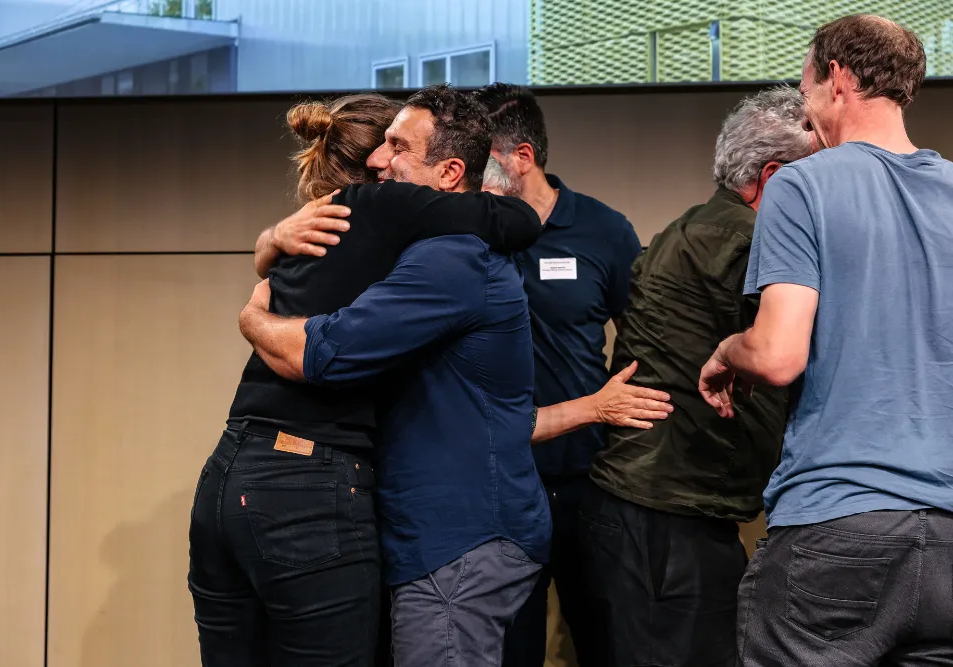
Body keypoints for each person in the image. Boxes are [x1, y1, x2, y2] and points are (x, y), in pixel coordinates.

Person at [188, 92, 545, 667]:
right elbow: (518, 217)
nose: (383, 159)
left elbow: (314, 347)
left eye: (396, 147)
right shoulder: (386, 213)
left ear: (448, 171)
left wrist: (256, 303)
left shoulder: (334, 225)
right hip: (310, 484)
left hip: (229, 473)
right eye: (383, 145)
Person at [699, 15, 953, 665]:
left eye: (805, 80)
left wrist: (728, 351)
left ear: (836, 78)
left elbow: (777, 356)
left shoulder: (802, 184)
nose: (803, 96)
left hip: (839, 527)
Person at [581, 87, 815, 667]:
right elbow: (793, 353)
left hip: (663, 509)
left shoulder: (696, 226)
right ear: (774, 177)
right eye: (819, 176)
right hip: (668, 517)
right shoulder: (744, 241)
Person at [473, 82, 646, 667]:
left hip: (587, 478)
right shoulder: (469, 230)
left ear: (521, 157)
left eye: (480, 157)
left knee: (603, 639)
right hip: (495, 480)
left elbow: (643, 342)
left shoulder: (604, 230)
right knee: (509, 648)